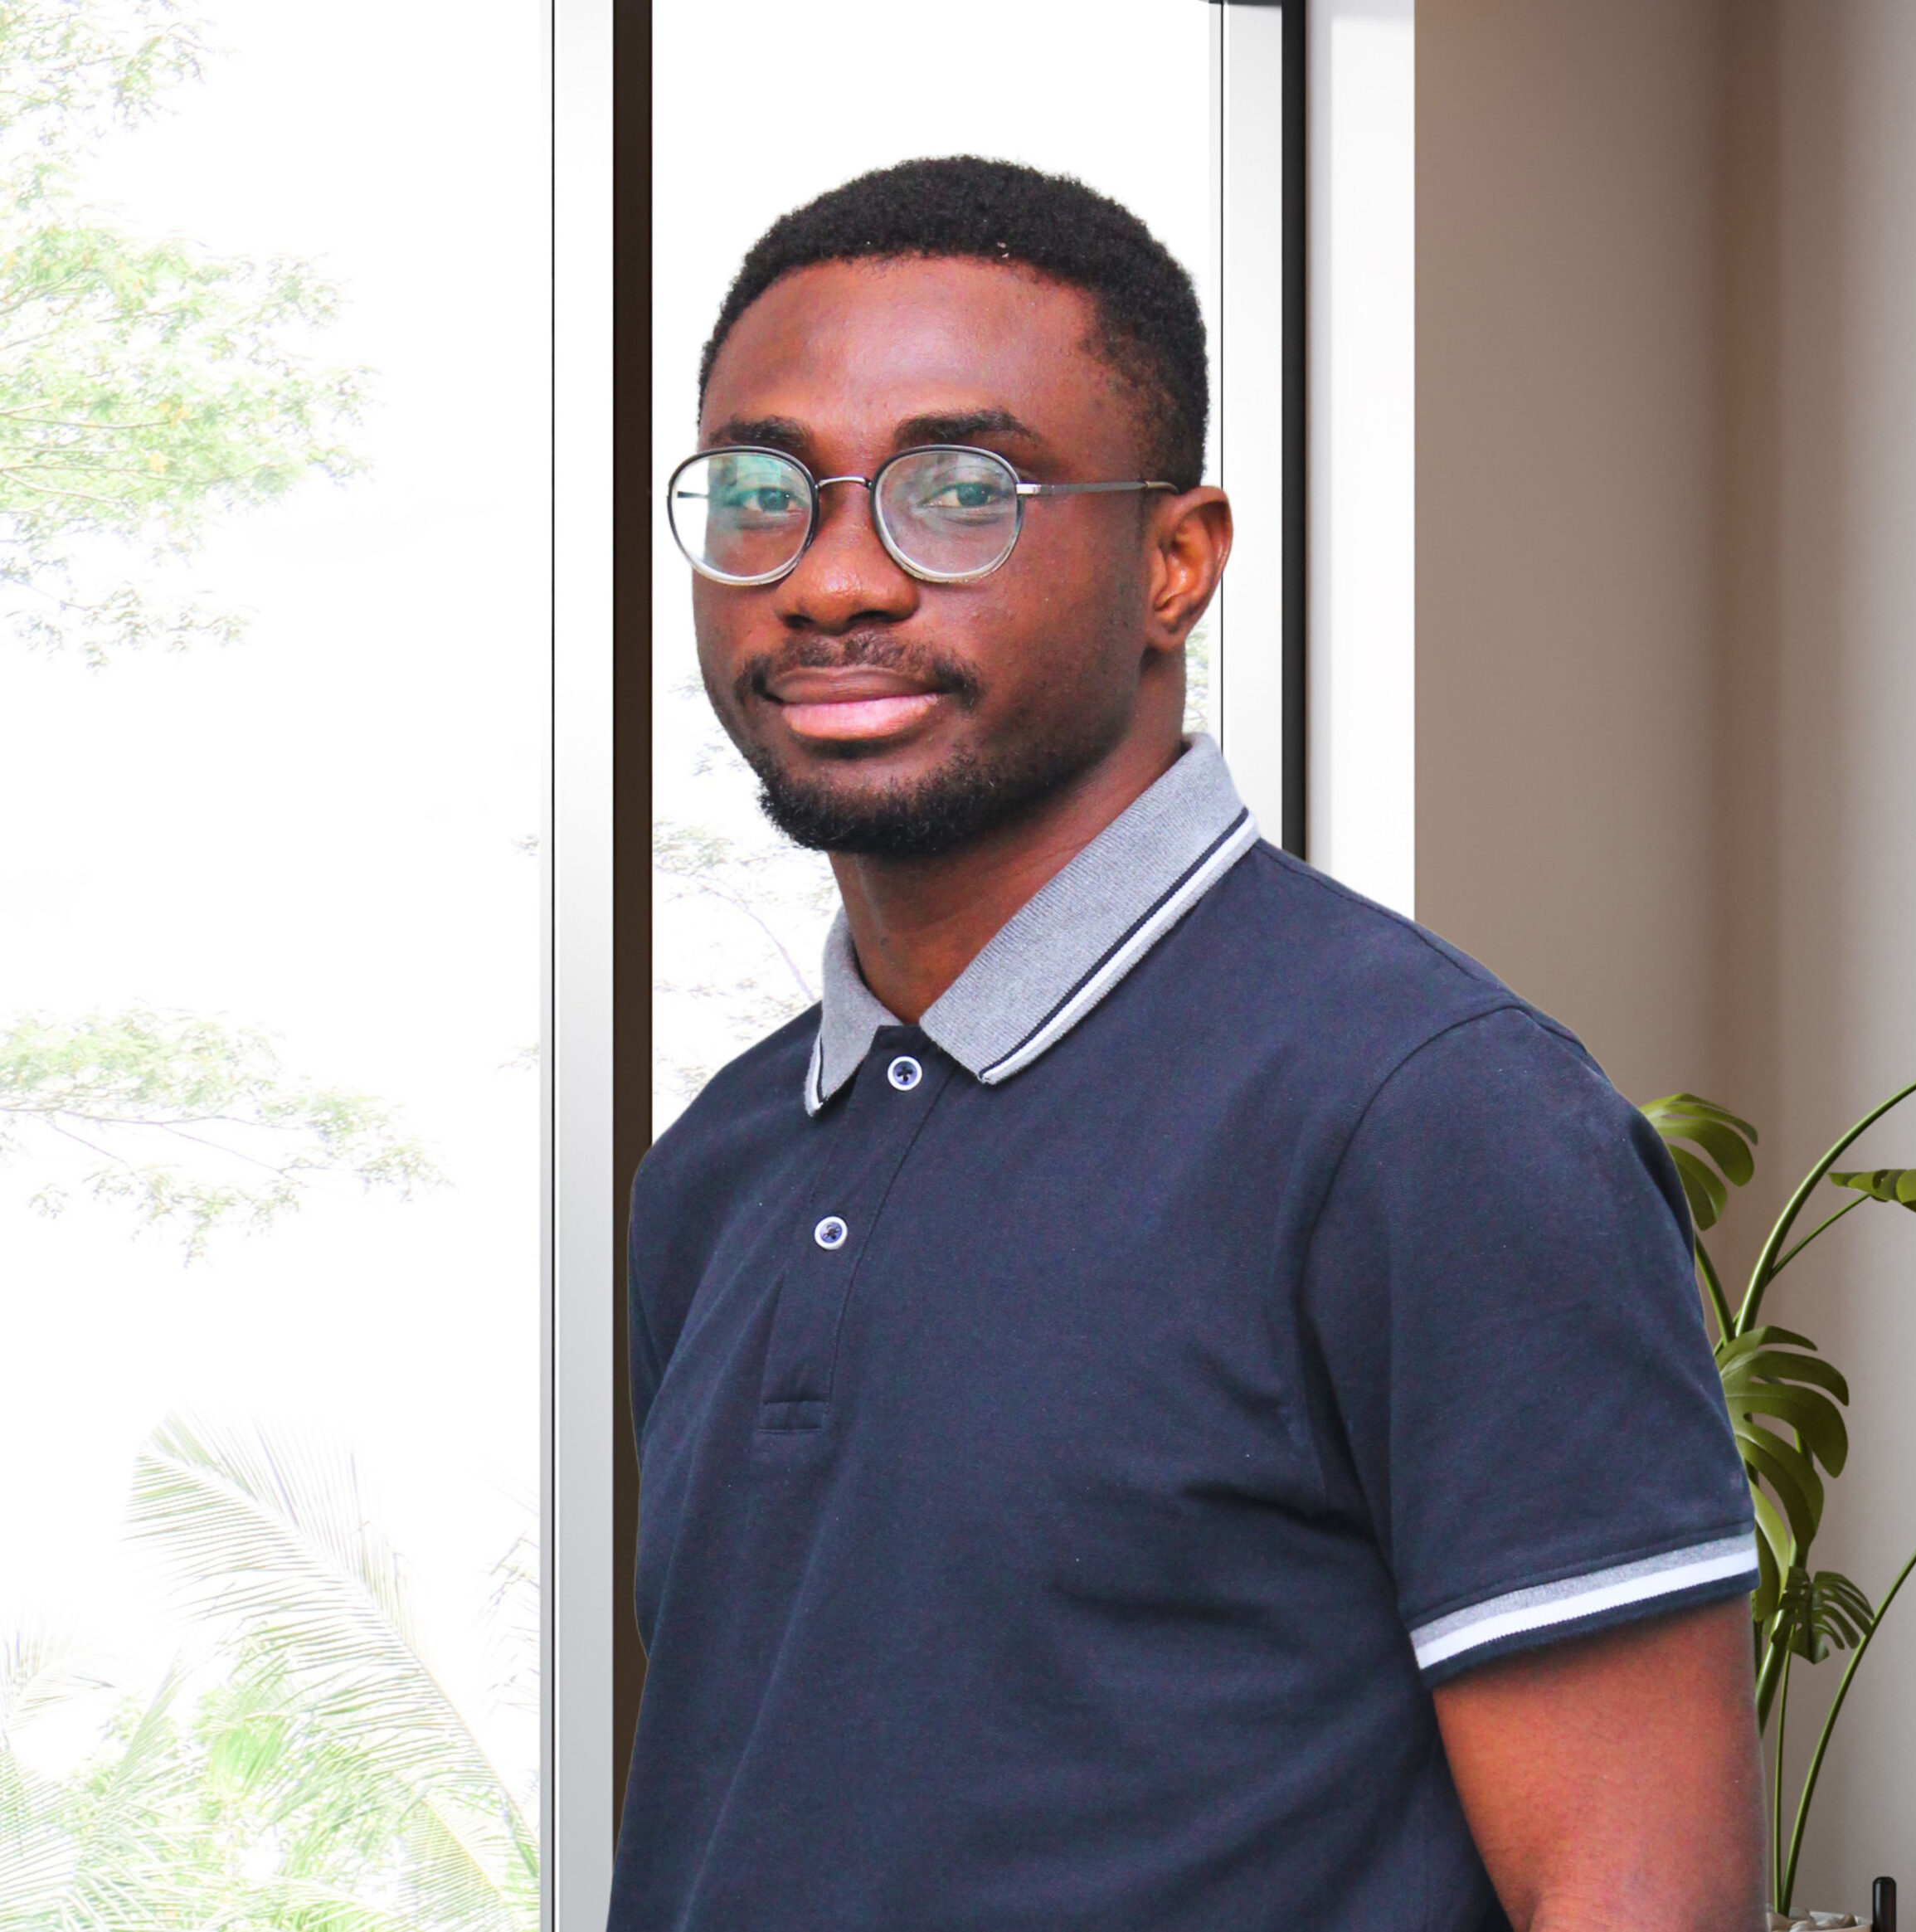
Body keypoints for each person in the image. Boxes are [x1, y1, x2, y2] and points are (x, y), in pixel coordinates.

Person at [616, 156, 1764, 1932]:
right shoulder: (719, 1165)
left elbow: (1638, 1898)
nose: (831, 580)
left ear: (1175, 560)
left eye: (959, 493)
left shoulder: (1431, 1116)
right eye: (766, 496)